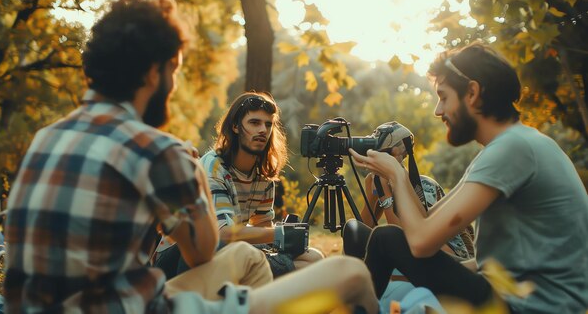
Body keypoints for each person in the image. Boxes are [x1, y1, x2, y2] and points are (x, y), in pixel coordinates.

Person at [4, 0, 378, 314]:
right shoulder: (155, 150)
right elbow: (202, 251)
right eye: (174, 71)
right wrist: (193, 171)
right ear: (154, 73)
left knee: (248, 259)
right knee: (352, 273)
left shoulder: (45, 138)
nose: (173, 84)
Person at [349, 42, 588, 313]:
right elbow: (428, 223)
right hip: (521, 297)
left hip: (532, 307)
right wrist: (397, 175)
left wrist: (397, 175)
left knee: (385, 239)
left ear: (472, 93)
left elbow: (420, 243)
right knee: (374, 239)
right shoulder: (513, 146)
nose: (438, 111)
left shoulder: (513, 149)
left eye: (444, 97)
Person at [342, 122, 474, 313]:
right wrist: (375, 188)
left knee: (385, 239)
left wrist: (386, 194)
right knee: (352, 228)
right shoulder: (378, 179)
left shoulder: (424, 186)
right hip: (413, 255)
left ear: (396, 153)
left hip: (451, 256)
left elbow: (406, 240)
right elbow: (363, 230)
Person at [200, 92, 324, 277]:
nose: (263, 130)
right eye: (254, 123)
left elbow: (262, 224)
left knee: (314, 258)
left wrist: (285, 239)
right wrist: (282, 234)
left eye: (268, 124)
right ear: (235, 127)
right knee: (304, 270)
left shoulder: (262, 173)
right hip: (197, 253)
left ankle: (269, 282)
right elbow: (223, 234)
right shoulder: (215, 167)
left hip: (236, 251)